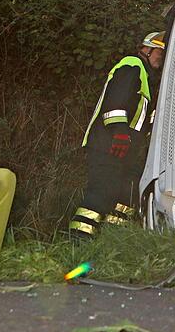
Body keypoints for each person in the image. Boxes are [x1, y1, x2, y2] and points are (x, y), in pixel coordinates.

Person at [69, 31, 165, 238]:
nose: (161, 57)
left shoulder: (147, 77)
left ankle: (112, 239)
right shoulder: (132, 66)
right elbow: (116, 103)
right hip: (108, 144)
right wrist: (120, 133)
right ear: (146, 49)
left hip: (127, 149)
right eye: (159, 51)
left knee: (126, 195)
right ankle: (79, 238)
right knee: (102, 192)